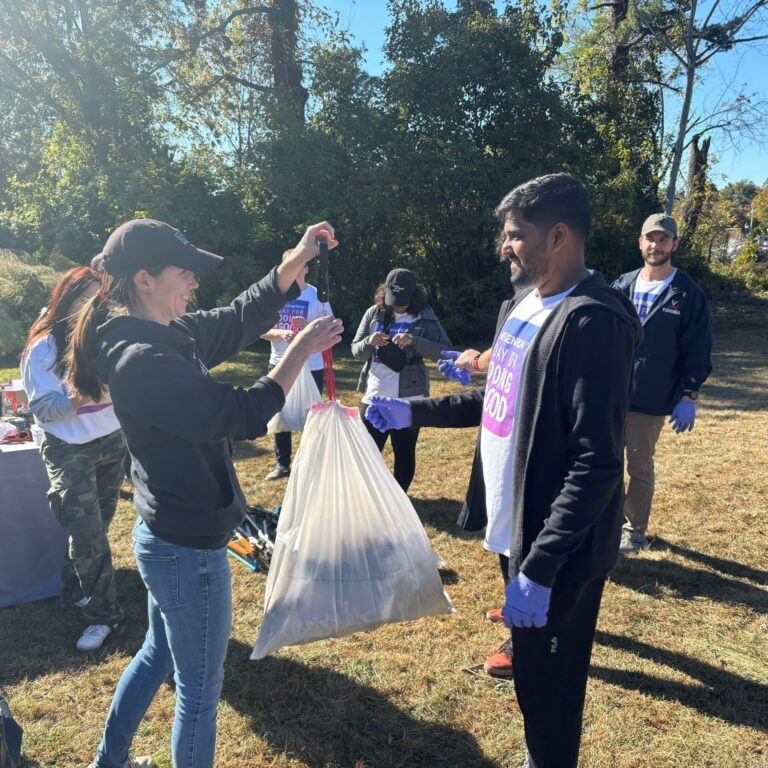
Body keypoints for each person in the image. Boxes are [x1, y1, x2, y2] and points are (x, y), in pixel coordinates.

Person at [366, 174, 640, 768]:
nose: (504, 248)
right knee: (530, 676)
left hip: (554, 547)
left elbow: (596, 464)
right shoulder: (523, 307)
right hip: (514, 527)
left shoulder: (592, 323)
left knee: (551, 690)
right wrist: (409, 409)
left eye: (516, 236)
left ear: (559, 236)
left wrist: (540, 569)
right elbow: (494, 400)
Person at [67, 218, 343, 768]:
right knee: (199, 694)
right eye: (183, 272)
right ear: (144, 279)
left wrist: (293, 262)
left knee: (155, 656)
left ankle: (108, 761)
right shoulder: (141, 359)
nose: (193, 282)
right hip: (186, 548)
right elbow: (233, 416)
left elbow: (239, 317)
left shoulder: (167, 335)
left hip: (169, 534)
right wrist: (299, 351)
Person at [20, 266, 128, 653]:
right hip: (69, 450)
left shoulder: (105, 335)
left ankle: (74, 589)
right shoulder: (45, 346)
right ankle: (104, 616)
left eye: (98, 298)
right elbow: (44, 409)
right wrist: (85, 395)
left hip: (111, 441)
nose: (93, 306)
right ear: (65, 299)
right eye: (85, 298)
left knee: (98, 525)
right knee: (88, 534)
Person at [611, 213, 713, 555]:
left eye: (663, 239)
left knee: (638, 466)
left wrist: (690, 394)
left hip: (650, 398)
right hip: (609, 396)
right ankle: (604, 523)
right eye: (650, 238)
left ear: (675, 244)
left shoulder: (686, 293)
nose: (656, 245)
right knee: (603, 462)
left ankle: (633, 531)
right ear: (640, 242)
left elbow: (697, 346)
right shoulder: (622, 285)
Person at [351, 268, 451, 492]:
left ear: (414, 295)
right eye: (393, 300)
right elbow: (355, 351)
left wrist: (414, 340)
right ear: (385, 293)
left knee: (404, 452)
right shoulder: (373, 313)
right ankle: (371, 498)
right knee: (367, 452)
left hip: (410, 397)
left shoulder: (424, 315)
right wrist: (370, 341)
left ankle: (399, 499)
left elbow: (445, 350)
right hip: (374, 395)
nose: (398, 306)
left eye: (403, 301)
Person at [260, 254, 333, 480]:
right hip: (279, 362)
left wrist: (309, 326)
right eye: (289, 264)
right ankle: (282, 464)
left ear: (306, 268)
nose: (294, 269)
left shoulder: (316, 296)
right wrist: (279, 333)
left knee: (313, 415)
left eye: (299, 264)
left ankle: (310, 463)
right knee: (280, 411)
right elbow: (260, 330)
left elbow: (332, 326)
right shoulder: (276, 295)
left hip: (311, 363)